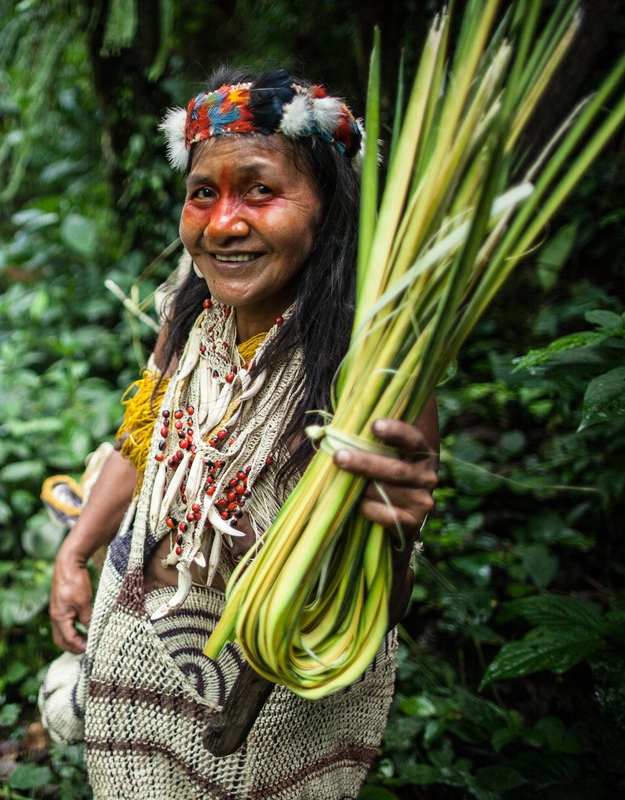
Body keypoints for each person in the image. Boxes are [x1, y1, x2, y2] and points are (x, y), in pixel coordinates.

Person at [42, 67, 439, 799]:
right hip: (135, 640)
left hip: (269, 700)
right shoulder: (190, 311)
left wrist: (396, 535)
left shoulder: (373, 366)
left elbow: (375, 595)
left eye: (260, 189)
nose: (223, 222)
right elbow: (144, 441)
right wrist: (76, 550)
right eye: (204, 193)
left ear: (327, 208)